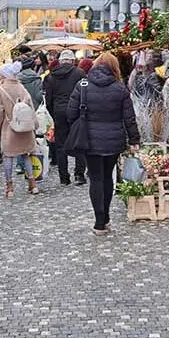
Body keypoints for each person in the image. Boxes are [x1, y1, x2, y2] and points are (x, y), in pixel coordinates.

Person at [67, 52, 140, 236]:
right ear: (114, 67)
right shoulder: (120, 88)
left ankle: (99, 222)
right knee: (108, 177)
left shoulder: (82, 85)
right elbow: (129, 118)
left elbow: (70, 113)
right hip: (114, 140)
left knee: (95, 178)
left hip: (89, 140)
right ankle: (106, 218)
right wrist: (134, 140)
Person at [0, 62, 38, 198]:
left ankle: (9, 187)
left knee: (8, 156)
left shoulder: (0, 90)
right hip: (25, 127)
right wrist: (34, 124)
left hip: (9, 126)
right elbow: (30, 106)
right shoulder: (21, 87)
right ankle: (33, 184)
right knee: (26, 154)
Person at [43, 50, 86, 185]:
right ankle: (79, 175)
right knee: (79, 142)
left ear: (60, 61)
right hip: (77, 111)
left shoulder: (50, 77)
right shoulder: (79, 74)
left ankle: (64, 177)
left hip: (58, 111)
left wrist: (53, 112)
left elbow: (48, 100)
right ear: (72, 61)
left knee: (60, 145)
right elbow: (84, 94)